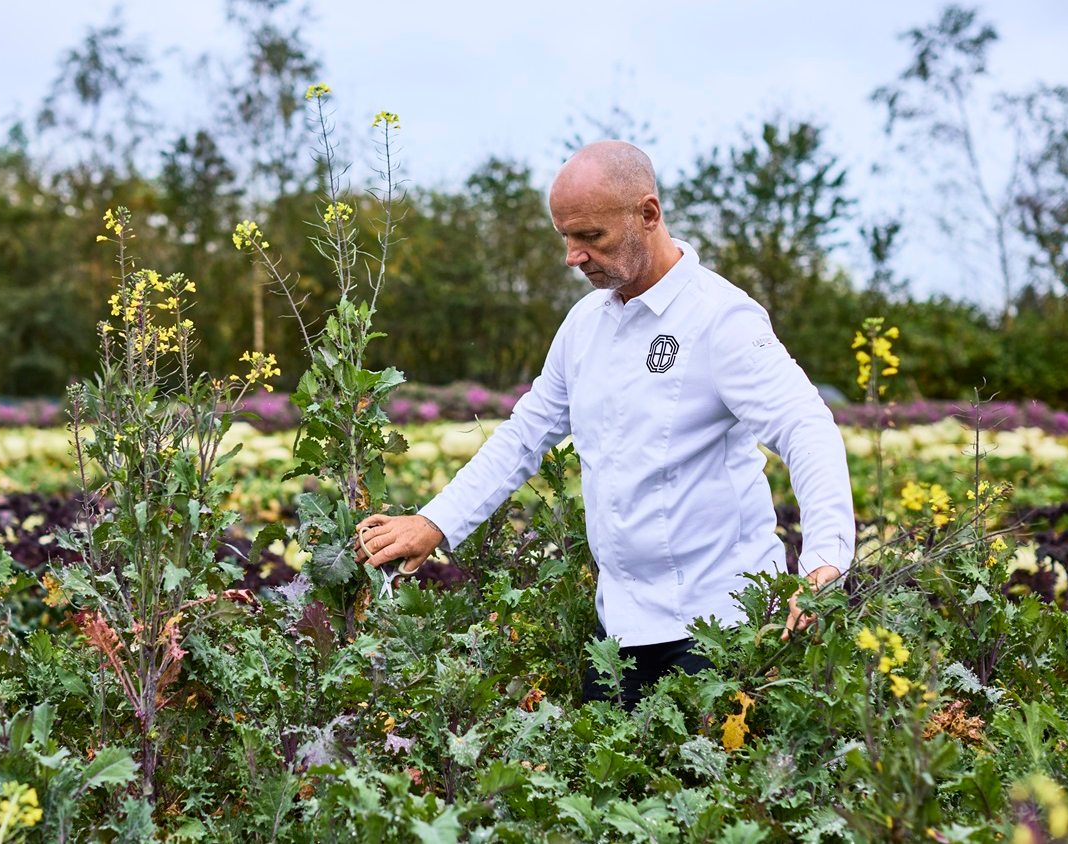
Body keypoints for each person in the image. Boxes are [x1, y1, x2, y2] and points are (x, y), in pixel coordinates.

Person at [353, 140, 854, 707]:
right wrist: (433, 522)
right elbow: (524, 435)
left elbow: (806, 425)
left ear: (648, 214)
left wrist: (825, 560)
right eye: (565, 236)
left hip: (719, 626)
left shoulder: (721, 318)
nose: (573, 255)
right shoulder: (584, 323)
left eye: (590, 236)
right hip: (618, 630)